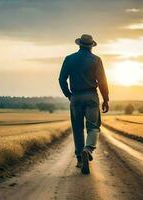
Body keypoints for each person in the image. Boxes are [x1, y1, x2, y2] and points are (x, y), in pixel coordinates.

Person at [58, 34, 109, 174]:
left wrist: (68, 94)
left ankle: (80, 158)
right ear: (91, 46)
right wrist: (106, 99)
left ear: (79, 45)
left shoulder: (69, 59)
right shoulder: (96, 60)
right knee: (93, 127)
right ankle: (88, 149)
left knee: (77, 128)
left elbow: (62, 79)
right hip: (91, 96)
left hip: (76, 97)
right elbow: (103, 82)